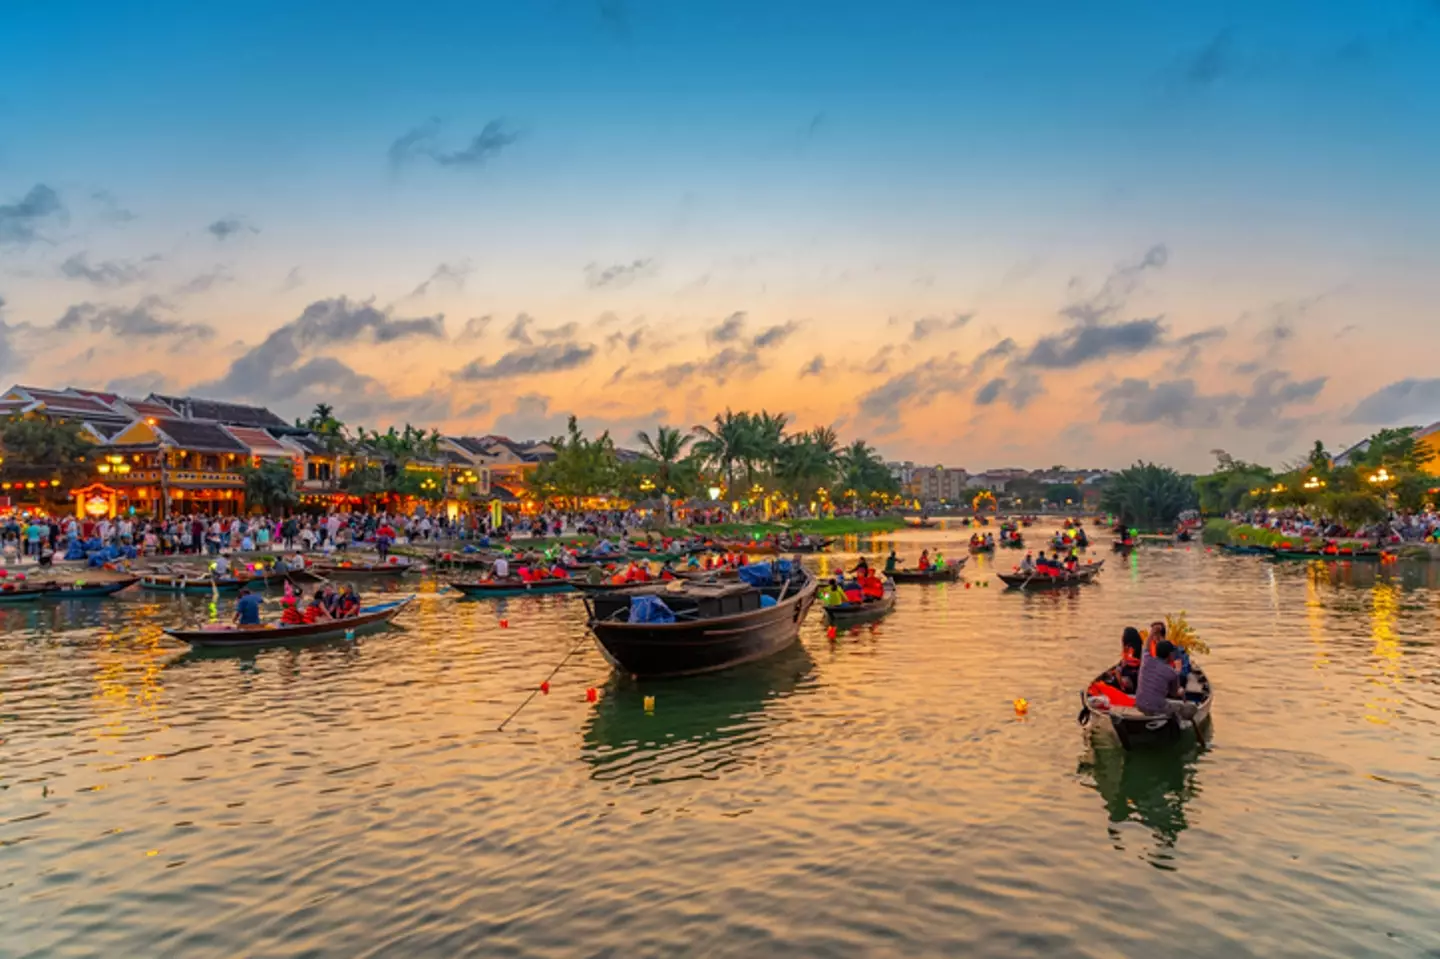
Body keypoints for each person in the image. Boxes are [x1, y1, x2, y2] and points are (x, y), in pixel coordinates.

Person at [1135, 638, 1195, 719]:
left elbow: (1147, 645)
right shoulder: (1171, 672)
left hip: (1139, 704)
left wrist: (1152, 632)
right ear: (1170, 655)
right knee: (1190, 708)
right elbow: (1174, 693)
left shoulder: (1146, 659)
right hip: (1157, 708)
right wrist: (1178, 671)